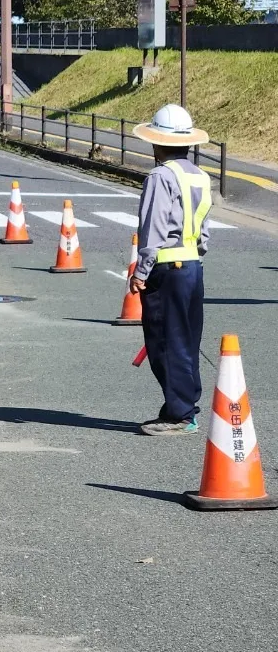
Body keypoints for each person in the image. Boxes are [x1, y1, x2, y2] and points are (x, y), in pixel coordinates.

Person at [130, 104, 214, 436]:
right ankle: (181, 405)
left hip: (166, 267)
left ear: (157, 143)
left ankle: (180, 413)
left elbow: (152, 227)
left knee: (164, 340)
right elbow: (204, 230)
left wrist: (141, 270)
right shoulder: (199, 176)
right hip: (192, 264)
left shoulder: (160, 176)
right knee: (186, 340)